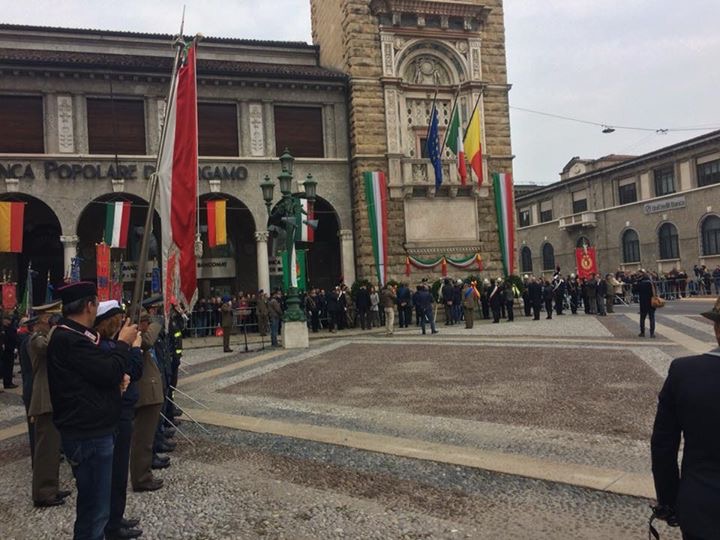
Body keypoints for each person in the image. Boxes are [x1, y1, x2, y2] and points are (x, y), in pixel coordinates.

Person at [46, 282, 139, 540]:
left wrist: (114, 387)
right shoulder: (70, 339)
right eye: (96, 303)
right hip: (89, 435)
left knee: (93, 507)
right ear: (89, 305)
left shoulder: (75, 337)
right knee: (95, 512)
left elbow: (91, 379)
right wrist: (124, 344)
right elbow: (108, 369)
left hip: (91, 429)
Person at [651, 296, 720, 540]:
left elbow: (663, 448)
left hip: (703, 509)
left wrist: (668, 503)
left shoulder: (685, 373)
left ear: (716, 329)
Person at [95, 301, 143, 540]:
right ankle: (111, 525)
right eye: (119, 318)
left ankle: (117, 517)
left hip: (124, 410)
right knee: (114, 473)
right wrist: (134, 348)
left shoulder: (112, 345)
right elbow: (134, 370)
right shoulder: (108, 347)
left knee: (120, 472)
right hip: (117, 413)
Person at [27, 301, 70, 508]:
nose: (54, 322)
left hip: (52, 399)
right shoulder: (36, 339)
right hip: (43, 401)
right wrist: (56, 329)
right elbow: (47, 348)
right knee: (45, 449)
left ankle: (51, 487)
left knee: (53, 449)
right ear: (43, 320)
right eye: (51, 319)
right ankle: (43, 493)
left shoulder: (46, 336)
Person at [130, 309, 166, 492]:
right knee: (141, 440)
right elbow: (146, 342)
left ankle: (144, 474)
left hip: (150, 393)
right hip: (144, 394)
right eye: (145, 321)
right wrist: (156, 323)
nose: (147, 325)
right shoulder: (134, 337)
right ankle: (141, 477)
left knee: (146, 440)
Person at [633, 270, 656, 338]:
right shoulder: (651, 282)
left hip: (643, 302)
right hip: (651, 302)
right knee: (652, 318)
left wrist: (635, 284)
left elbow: (634, 291)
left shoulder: (640, 283)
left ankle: (642, 332)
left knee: (642, 318)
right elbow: (655, 291)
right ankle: (652, 333)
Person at [1, 311, 18, 389]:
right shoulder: (3, 328)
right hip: (5, 350)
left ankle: (8, 382)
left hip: (10, 350)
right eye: (8, 319)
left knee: (9, 367)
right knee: (6, 367)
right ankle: (7, 383)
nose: (9, 321)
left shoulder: (10, 327)